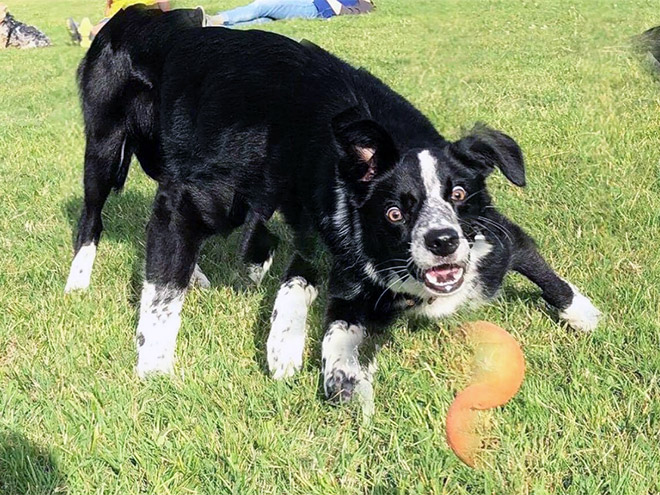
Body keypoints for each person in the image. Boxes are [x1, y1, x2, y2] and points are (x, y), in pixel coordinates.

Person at [67, 0, 171, 48]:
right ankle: (85, 33)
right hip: (143, 17)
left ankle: (85, 33)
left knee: (99, 31)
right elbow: (164, 3)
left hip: (124, 17)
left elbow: (109, 5)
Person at [205, 0, 374, 27]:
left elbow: (340, 12)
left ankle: (216, 19)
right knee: (264, 20)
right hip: (307, 3)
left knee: (263, 4)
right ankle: (216, 29)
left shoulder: (366, 6)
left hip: (313, 9)